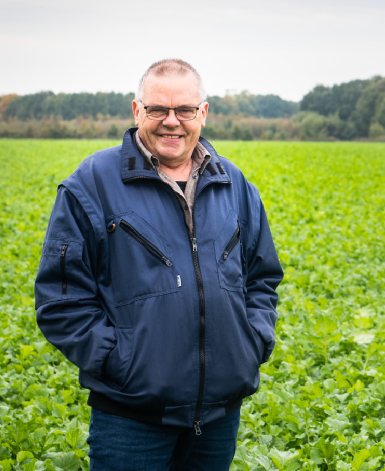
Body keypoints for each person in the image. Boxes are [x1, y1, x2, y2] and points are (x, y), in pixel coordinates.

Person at [34, 59, 282, 470]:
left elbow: (262, 278)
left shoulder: (234, 185)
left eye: (184, 110)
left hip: (218, 414)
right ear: (137, 111)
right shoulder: (93, 183)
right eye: (158, 110)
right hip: (132, 417)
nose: (172, 122)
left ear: (202, 113)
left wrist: (251, 342)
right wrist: (120, 363)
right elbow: (62, 297)